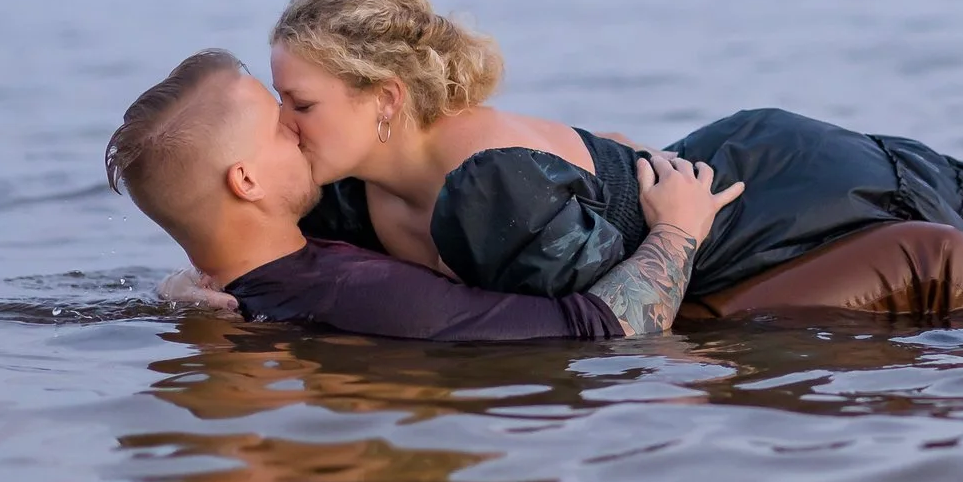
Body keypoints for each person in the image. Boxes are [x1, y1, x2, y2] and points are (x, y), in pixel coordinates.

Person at [126, 0, 963, 340]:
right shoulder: (358, 183)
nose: (290, 131)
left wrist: (675, 234)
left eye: (298, 107)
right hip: (736, 183)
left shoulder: (487, 185)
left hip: (775, 193)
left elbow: (629, 321)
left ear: (385, 97)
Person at [105, 50, 736, 341]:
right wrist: (677, 229)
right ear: (245, 183)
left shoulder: (241, 286)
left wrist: (184, 285)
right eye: (279, 123)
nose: (300, 129)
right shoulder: (351, 291)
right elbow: (605, 328)